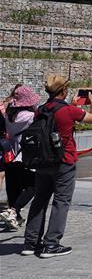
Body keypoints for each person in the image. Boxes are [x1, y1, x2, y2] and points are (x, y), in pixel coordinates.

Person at [22, 75, 92, 257]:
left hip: (42, 161)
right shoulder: (68, 111)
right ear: (64, 90)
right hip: (63, 161)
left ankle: (31, 243)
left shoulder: (41, 109)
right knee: (61, 201)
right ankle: (52, 244)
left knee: (39, 201)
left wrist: (72, 105)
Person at [0, 85, 40, 229]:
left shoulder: (10, 115)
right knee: (32, 185)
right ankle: (14, 210)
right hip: (23, 155)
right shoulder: (28, 117)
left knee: (14, 186)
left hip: (11, 153)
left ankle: (14, 217)